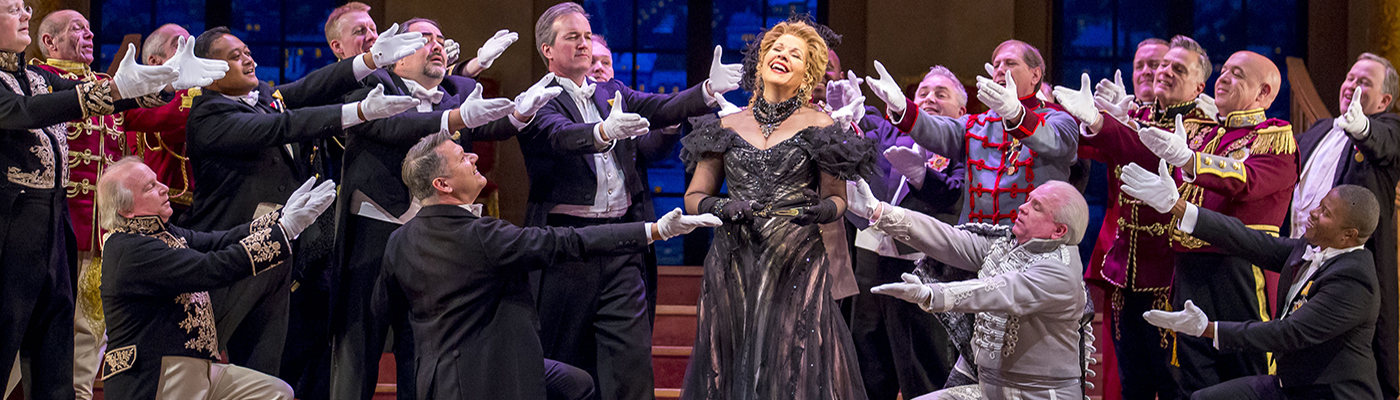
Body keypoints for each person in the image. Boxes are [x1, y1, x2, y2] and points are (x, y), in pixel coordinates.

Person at [381, 133, 718, 400]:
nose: (474, 157)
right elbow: (567, 241)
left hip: (434, 377)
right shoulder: (480, 235)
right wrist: (653, 230)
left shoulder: (398, 240)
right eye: (461, 157)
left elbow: (391, 318)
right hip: (488, 375)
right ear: (443, 184)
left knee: (576, 383)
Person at [0, 0, 221, 396]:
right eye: (13, 8)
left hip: (59, 226)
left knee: (59, 352)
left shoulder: (37, 77)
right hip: (12, 227)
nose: (26, 14)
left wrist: (165, 83)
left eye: (26, 7)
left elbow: (110, 99)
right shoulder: (27, 81)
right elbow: (23, 110)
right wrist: (117, 88)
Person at [329, 17, 557, 400]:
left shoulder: (456, 92)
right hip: (374, 236)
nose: (437, 44)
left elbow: (485, 126)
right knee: (358, 353)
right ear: (397, 57)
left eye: (440, 38)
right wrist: (457, 118)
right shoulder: (372, 86)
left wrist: (520, 113)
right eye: (424, 39)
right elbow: (393, 126)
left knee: (421, 352)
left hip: (433, 244)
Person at [522, 4, 738, 399]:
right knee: (563, 362)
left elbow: (661, 107)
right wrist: (603, 132)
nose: (583, 44)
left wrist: (707, 90)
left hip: (622, 243)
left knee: (632, 365)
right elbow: (560, 135)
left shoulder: (611, 91)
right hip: (567, 247)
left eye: (587, 36)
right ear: (547, 49)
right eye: (572, 37)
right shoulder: (537, 100)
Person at [181, 24, 419, 378]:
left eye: (247, 52)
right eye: (234, 56)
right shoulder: (207, 116)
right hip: (228, 260)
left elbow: (310, 87)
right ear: (210, 71)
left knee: (265, 373)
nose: (248, 59)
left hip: (279, 258)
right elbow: (282, 127)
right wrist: (359, 112)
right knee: (197, 366)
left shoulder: (263, 96)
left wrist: (368, 60)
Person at [1061, 49, 1298, 396]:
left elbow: (1247, 181)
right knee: (1193, 380)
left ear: (1263, 93)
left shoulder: (1274, 135)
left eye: (1238, 75)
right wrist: (1100, 122)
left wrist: (1190, 160)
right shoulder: (1199, 131)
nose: (1224, 78)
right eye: (1224, 70)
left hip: (1238, 270)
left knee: (1246, 374)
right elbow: (1146, 151)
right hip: (1187, 269)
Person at [678, 18, 873, 399]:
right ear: (761, 60)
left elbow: (838, 199)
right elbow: (694, 196)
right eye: (776, 49)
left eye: (794, 54)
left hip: (796, 263)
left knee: (791, 369)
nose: (782, 56)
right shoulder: (726, 126)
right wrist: (724, 206)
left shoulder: (823, 126)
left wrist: (820, 211)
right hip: (734, 262)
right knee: (733, 369)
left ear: (807, 73)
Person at [1124, 166, 1383, 400]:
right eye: (1320, 205)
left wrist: (1209, 329)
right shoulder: (1314, 246)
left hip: (1328, 393)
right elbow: (1249, 241)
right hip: (1290, 386)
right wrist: (1179, 206)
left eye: (1325, 213)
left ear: (1348, 235)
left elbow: (1288, 333)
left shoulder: (1354, 280)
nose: (1313, 213)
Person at [96, 157, 335, 399]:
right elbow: (210, 267)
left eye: (158, 181)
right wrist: (284, 231)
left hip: (195, 369)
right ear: (126, 210)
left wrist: (281, 217)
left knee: (276, 392)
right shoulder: (129, 250)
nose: (164, 188)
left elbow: (218, 241)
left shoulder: (160, 233)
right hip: (155, 374)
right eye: (150, 187)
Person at [1057, 35, 1210, 400]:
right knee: (1132, 383)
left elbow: (1145, 151)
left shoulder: (1206, 129)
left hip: (1171, 277)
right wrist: (1027, 113)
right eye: (1162, 65)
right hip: (1126, 272)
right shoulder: (1136, 115)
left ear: (1199, 86)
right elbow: (1086, 143)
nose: (1162, 72)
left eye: (1177, 68)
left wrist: (1106, 121)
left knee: (1173, 383)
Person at [854, 179, 1092, 400]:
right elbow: (948, 239)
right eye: (1028, 200)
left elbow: (998, 291)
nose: (1022, 207)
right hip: (988, 388)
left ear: (1059, 231)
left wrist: (931, 294)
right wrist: (879, 211)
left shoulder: (1061, 271)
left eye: (1036, 207)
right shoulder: (1008, 246)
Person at [826, 65, 964, 400]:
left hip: (927, 265)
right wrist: (849, 118)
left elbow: (956, 194)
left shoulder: (963, 140)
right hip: (870, 259)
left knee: (925, 364)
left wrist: (923, 178)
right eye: (923, 93)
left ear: (962, 111)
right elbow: (863, 140)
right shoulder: (892, 132)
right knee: (869, 360)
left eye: (941, 94)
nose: (929, 99)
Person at [864, 40, 1079, 226]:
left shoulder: (1061, 120)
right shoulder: (976, 124)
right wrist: (904, 107)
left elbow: (1053, 141)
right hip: (976, 241)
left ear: (1035, 75)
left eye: (1010, 63)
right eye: (996, 65)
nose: (1000, 70)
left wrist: (1016, 114)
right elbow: (938, 130)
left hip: (1033, 240)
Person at [1289, 53, 1400, 398]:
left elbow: (1385, 143)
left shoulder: (1389, 128)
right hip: (1297, 257)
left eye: (1364, 82)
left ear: (1384, 100)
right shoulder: (1320, 129)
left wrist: (1363, 128)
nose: (1351, 85)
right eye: (1350, 78)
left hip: (1346, 274)